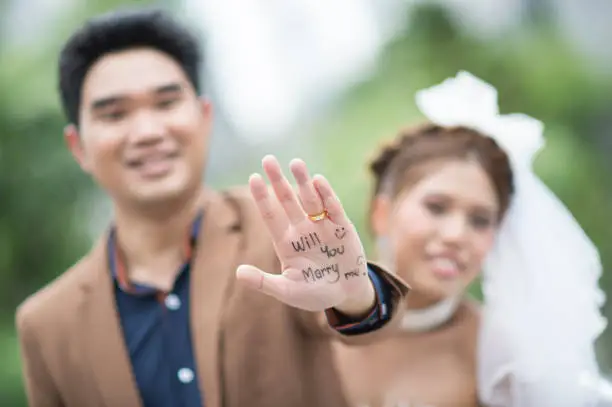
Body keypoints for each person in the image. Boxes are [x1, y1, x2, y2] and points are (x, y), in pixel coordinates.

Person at [15, 8, 409, 407]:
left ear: (204, 117)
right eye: (114, 114)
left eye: (166, 103)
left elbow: (379, 333)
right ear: (78, 146)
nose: (148, 132)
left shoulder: (285, 238)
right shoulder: (46, 326)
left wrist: (356, 297)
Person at [332, 71, 609, 407]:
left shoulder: (504, 359)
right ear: (381, 213)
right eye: (436, 208)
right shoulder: (316, 322)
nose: (456, 235)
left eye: (480, 220)